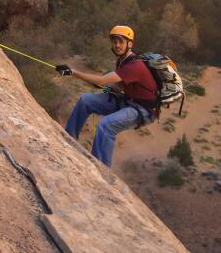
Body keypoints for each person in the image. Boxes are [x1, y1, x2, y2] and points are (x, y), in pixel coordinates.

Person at [56, 25, 157, 167]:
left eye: (121, 41)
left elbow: (103, 80)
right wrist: (108, 87)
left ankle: (101, 168)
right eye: (115, 41)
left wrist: (73, 72)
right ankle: (69, 139)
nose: (117, 45)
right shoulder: (122, 61)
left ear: (130, 44)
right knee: (85, 101)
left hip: (143, 110)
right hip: (128, 101)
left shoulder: (135, 65)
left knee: (106, 126)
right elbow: (121, 85)